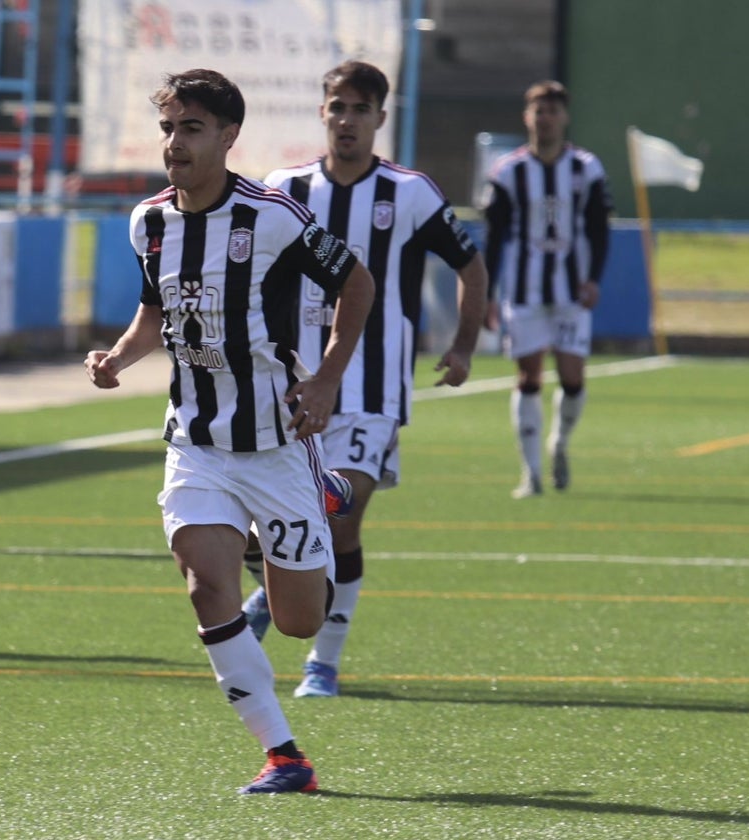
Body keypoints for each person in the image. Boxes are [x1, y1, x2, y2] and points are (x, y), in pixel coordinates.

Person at [84, 69, 374, 794]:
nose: (173, 143)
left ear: (227, 137)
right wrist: (117, 357)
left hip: (278, 442)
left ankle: (318, 493)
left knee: (300, 621)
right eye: (167, 128)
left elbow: (357, 284)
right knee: (203, 585)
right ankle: (285, 756)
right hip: (197, 441)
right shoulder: (146, 223)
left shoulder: (272, 217)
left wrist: (328, 378)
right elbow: (154, 312)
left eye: (190, 129)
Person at [242, 60, 488, 697]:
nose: (346, 120)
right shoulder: (284, 188)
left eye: (360, 109)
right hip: (293, 385)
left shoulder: (409, 193)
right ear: (322, 113)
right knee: (276, 517)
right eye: (336, 107)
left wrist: (463, 345)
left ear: (381, 117)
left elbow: (471, 266)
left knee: (340, 515)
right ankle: (277, 593)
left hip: (372, 389)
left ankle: (323, 660)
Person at [482, 80, 612, 498]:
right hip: (524, 291)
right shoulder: (508, 171)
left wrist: (594, 278)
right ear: (527, 117)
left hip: (571, 291)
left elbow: (598, 228)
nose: (546, 119)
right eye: (539, 111)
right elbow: (494, 236)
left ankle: (559, 444)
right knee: (528, 376)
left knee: (573, 377)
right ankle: (531, 473)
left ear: (564, 117)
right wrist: (486, 295)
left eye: (553, 111)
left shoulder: (586, 168)